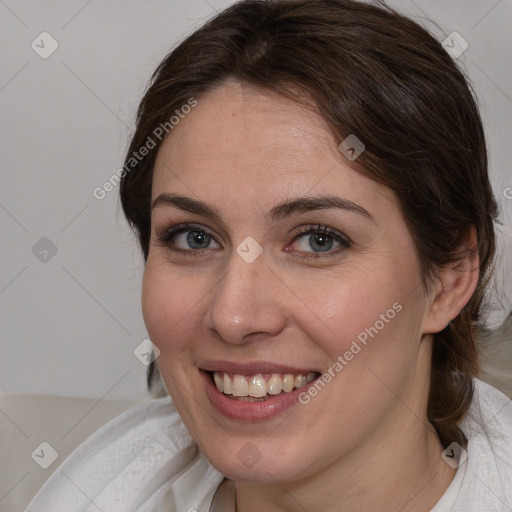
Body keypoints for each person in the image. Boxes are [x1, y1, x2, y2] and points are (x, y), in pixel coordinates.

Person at [24, 0, 512, 511]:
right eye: (194, 237)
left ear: (451, 276)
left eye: (318, 239)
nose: (233, 316)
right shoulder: (88, 492)